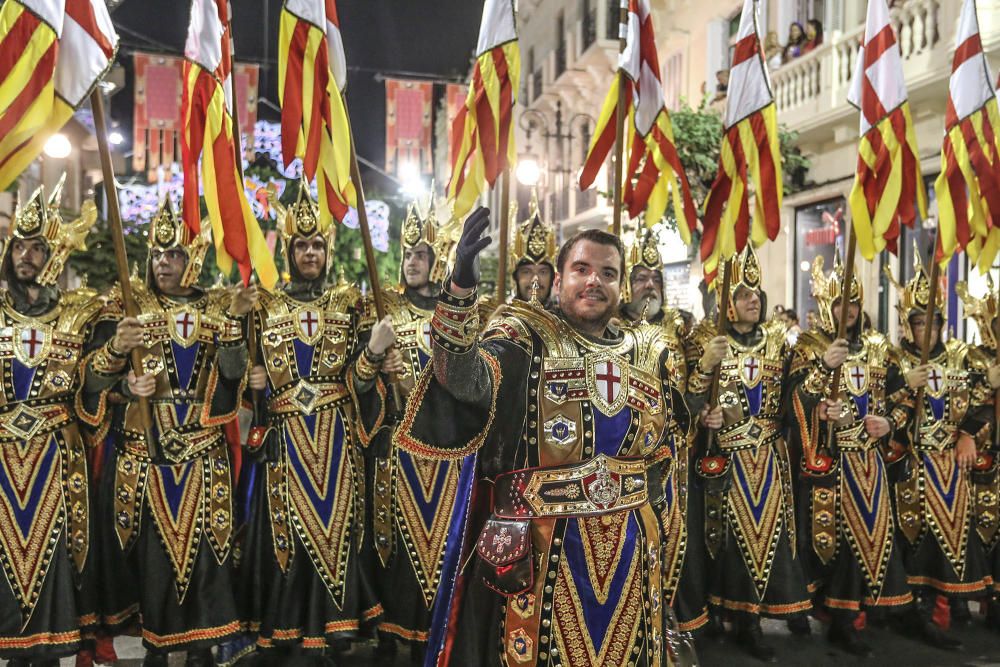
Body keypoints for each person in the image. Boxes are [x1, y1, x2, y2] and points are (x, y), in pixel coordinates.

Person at [395, 212, 694, 666]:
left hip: (630, 552)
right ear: (558, 282)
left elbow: (666, 452)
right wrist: (459, 292)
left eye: (608, 273)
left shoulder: (649, 352)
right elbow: (461, 379)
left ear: (622, 287)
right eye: (582, 269)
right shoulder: (524, 339)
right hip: (539, 551)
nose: (594, 281)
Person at [79, 200, 256, 666]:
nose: (164, 262)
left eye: (173, 254)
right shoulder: (126, 306)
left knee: (205, 556)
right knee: (152, 559)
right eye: (158, 254)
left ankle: (201, 649)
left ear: (190, 259)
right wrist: (121, 371)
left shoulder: (218, 307)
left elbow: (235, 375)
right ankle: (157, 647)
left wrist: (235, 325)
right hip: (144, 455)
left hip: (202, 451)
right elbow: (91, 382)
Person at [241, 184, 393, 660]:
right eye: (301, 246)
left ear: (328, 251)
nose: (310, 252)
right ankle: (288, 626)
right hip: (286, 436)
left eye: (317, 245)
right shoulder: (266, 307)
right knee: (288, 530)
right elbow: (241, 380)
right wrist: (252, 381)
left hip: (337, 434)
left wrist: (371, 353)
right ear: (289, 252)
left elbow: (360, 382)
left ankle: (340, 625)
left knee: (340, 525)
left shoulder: (350, 305)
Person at [686, 245, 811, 661]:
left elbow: (798, 392)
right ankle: (740, 619)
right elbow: (690, 398)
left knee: (772, 538)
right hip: (729, 459)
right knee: (732, 540)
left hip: (770, 459)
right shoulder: (707, 339)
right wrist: (705, 388)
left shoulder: (778, 340)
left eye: (756, 293)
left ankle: (762, 613)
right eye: (742, 294)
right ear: (726, 301)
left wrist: (820, 381)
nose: (753, 299)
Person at [787, 256, 914, 656]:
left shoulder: (879, 348)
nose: (850, 310)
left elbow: (903, 397)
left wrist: (889, 423)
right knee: (835, 542)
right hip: (831, 462)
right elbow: (793, 400)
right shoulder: (809, 346)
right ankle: (839, 619)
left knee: (875, 537)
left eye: (855, 303)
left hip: (870, 462)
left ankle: (867, 612)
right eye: (842, 303)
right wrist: (823, 376)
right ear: (828, 304)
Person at [0, 183, 102, 666]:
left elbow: (98, 381)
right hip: (2, 459)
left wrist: (119, 353)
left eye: (36, 246)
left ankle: (52, 651)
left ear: (52, 253)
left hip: (56, 461)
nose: (26, 254)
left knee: (56, 558)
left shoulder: (78, 315)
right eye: (19, 245)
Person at [367, 199, 469, 664]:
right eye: (407, 254)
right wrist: (375, 355)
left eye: (421, 255)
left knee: (448, 543)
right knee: (401, 547)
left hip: (449, 450)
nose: (412, 261)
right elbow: (357, 380)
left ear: (437, 261)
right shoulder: (383, 307)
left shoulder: (458, 314)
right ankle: (398, 635)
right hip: (399, 446)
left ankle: (441, 630)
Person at [883, 255, 993, 651]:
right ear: (907, 327)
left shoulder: (962, 356)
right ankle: (914, 612)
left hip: (951, 461)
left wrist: (967, 434)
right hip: (909, 464)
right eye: (917, 323)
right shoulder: (894, 359)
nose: (925, 330)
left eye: (931, 322)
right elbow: (882, 406)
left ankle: (945, 608)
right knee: (911, 534)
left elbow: (983, 400)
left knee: (953, 534)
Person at [620, 229, 707, 636]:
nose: (649, 285)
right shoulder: (613, 328)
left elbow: (698, 390)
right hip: (629, 452)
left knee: (677, 531)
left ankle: (674, 618)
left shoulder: (681, 330)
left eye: (656, 277)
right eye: (640, 277)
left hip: (677, 452)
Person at [510, 192, 556, 306]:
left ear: (552, 279)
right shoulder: (500, 321)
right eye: (526, 272)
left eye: (543, 272)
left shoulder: (564, 322)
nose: (535, 279)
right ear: (515, 278)